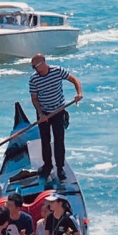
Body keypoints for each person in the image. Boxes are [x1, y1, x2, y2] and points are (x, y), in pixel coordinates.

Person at [28, 53, 83, 183]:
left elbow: (74, 79)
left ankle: (60, 167)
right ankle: (47, 165)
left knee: (59, 139)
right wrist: (41, 114)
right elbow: (34, 99)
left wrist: (79, 93)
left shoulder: (57, 71)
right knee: (45, 140)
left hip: (58, 111)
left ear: (42, 63)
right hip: (43, 113)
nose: (33, 69)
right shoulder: (33, 79)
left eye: (34, 66)